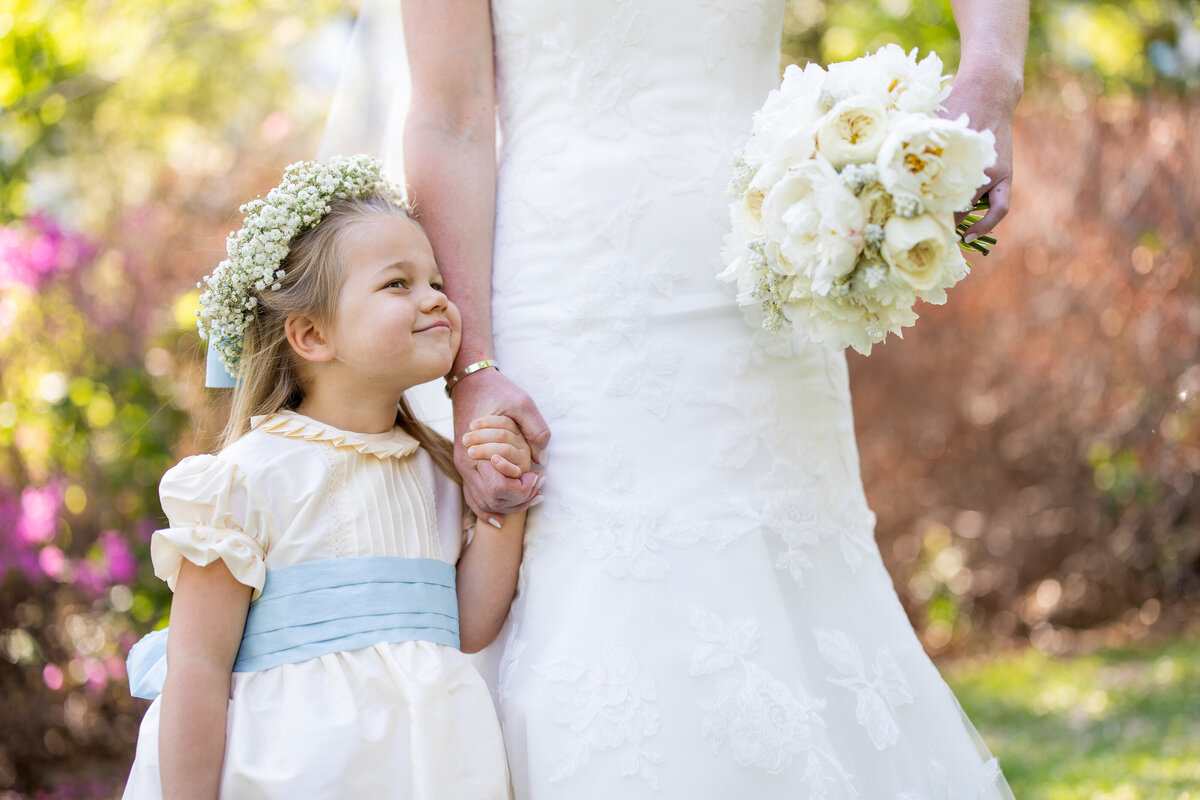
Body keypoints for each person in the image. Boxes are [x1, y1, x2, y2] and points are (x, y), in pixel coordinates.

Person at [391, 2, 1027, 797]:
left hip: (773, 259)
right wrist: (470, 364)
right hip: (567, 293)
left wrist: (991, 77)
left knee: (791, 573)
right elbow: (449, 118)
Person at [122, 156, 533, 799]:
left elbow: (470, 624)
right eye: (398, 284)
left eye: (435, 281)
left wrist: (501, 502)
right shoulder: (247, 480)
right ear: (311, 334)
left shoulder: (441, 471)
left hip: (432, 764)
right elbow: (197, 668)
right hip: (297, 767)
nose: (435, 299)